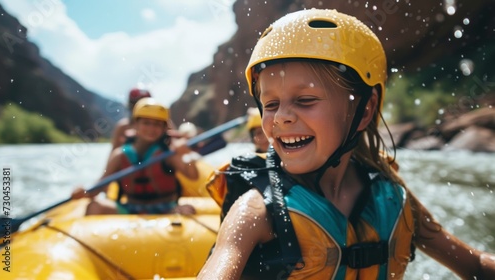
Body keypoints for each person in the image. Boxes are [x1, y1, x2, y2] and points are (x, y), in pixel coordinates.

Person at [198, 9, 495, 279]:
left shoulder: (393, 197)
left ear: (364, 110)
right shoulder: (255, 210)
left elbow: (476, 266)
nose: (282, 118)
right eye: (271, 104)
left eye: (305, 100)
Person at [72, 97, 198, 215]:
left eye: (157, 124)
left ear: (164, 128)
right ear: (135, 124)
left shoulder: (168, 153)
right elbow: (100, 186)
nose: (151, 128)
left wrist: (187, 155)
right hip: (131, 207)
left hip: (166, 208)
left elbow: (193, 175)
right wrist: (84, 192)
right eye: (146, 123)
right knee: (94, 206)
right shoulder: (119, 155)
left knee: (188, 210)